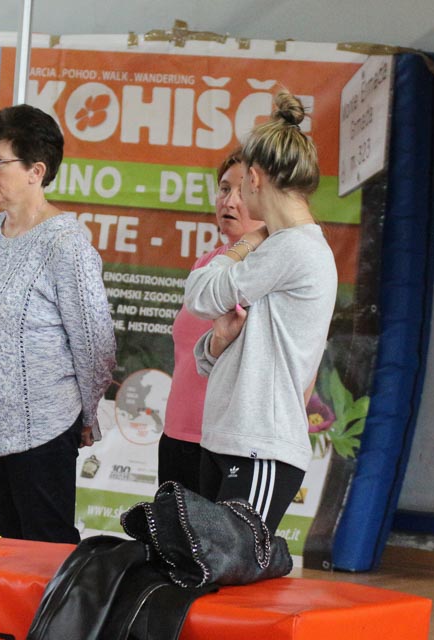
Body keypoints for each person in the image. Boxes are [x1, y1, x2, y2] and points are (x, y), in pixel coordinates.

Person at [0, 104, 116, 544]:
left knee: (45, 551)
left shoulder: (66, 243)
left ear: (36, 171)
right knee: (3, 553)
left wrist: (87, 413)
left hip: (43, 425)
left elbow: (95, 343)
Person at [183, 90, 337, 532]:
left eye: (240, 184)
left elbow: (200, 294)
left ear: (254, 177)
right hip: (230, 438)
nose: (232, 197)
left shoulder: (293, 247)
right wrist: (216, 344)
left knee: (236, 565)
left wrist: (247, 242)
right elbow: (223, 353)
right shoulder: (282, 247)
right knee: (209, 564)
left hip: (260, 446)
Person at [159, 149, 265, 491]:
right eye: (224, 189)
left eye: (242, 191)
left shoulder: (270, 266)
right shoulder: (206, 264)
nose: (229, 201)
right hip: (177, 435)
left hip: (227, 445)